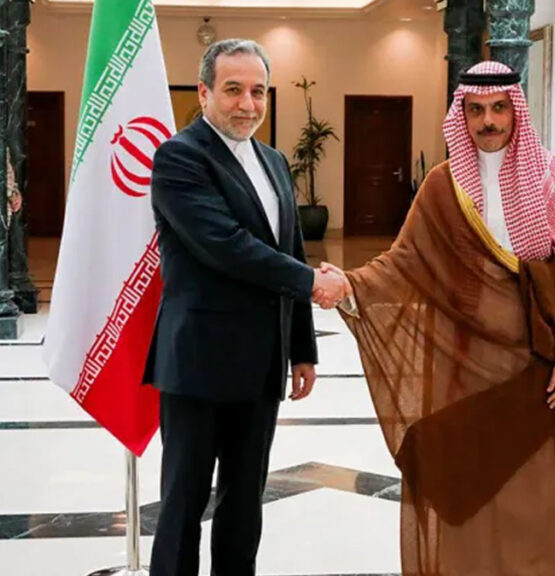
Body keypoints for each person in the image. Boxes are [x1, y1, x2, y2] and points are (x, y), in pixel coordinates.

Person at [319, 61, 555, 575]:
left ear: (516, 111)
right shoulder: (444, 184)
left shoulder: (553, 176)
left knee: (544, 485)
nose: (488, 121)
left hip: (545, 362)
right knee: (478, 483)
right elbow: (404, 261)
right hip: (470, 360)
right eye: (476, 110)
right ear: (462, 115)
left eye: (499, 108)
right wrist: (349, 285)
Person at [143, 39, 348, 576]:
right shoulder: (179, 157)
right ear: (204, 92)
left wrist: (301, 348)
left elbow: (290, 249)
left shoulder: (274, 161)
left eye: (258, 91)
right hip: (198, 364)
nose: (247, 104)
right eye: (233, 90)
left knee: (244, 503)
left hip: (260, 364)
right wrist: (313, 282)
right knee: (184, 502)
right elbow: (226, 245)